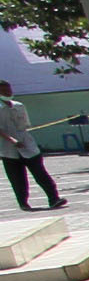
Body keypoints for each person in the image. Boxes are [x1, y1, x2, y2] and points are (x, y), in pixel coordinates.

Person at [0, 82, 55, 211]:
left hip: (27, 145)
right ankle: (23, 203)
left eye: (9, 89)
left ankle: (54, 198)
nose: (8, 92)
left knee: (41, 173)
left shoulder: (19, 106)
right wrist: (12, 140)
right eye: (4, 91)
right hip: (8, 149)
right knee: (18, 179)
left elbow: (25, 125)